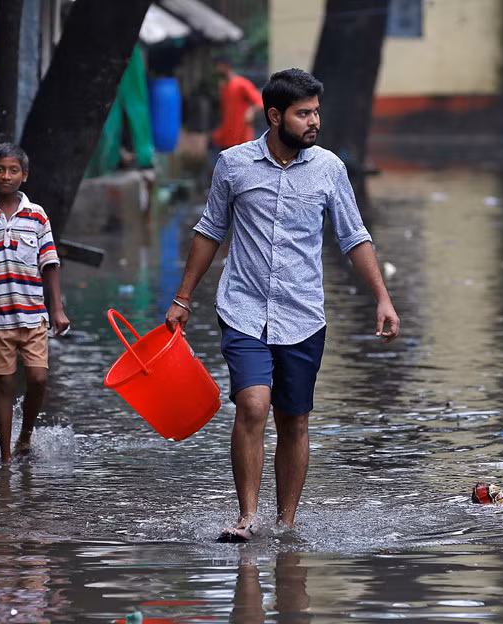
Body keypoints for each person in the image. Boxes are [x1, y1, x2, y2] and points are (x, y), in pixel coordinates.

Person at [165, 68, 399, 542]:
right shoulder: (233, 165)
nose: (314, 121)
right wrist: (182, 298)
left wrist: (383, 299)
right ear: (274, 116)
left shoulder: (330, 168)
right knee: (253, 405)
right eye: (303, 113)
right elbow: (210, 231)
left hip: (303, 313)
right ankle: (247, 517)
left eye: (316, 112)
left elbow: (353, 237)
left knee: (293, 419)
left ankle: (286, 523)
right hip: (243, 307)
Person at [0, 143, 71, 464]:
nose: (7, 176)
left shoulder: (37, 216)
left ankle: (25, 437)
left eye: (13, 170)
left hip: (33, 313)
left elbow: (50, 262)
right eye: (0, 170)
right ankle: (6, 460)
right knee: (4, 385)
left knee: (38, 378)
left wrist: (57, 308)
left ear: (25, 176)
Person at [212, 55, 264, 152]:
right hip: (226, 137)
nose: (216, 69)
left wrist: (251, 111)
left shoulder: (242, 84)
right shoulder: (222, 86)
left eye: (217, 66)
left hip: (241, 138)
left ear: (226, 66)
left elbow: (260, 102)